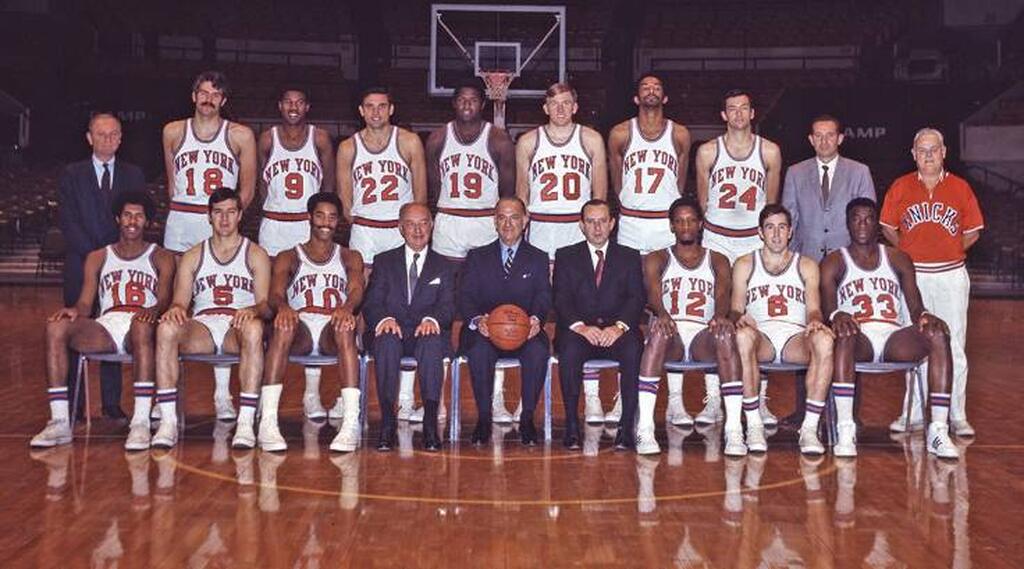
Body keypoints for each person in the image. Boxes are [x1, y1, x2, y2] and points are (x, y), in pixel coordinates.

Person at [31, 191, 174, 449]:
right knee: (56, 327)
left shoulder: (160, 256)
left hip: (142, 323)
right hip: (107, 326)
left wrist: (152, 313)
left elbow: (164, 300)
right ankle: (60, 421)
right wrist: (74, 310)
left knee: (141, 326)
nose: (132, 221)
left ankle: (140, 422)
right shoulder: (98, 256)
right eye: (127, 215)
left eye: (139, 216)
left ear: (148, 222)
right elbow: (86, 303)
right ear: (117, 219)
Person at [820, 198, 960, 458]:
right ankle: (846, 428)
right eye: (856, 219)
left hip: (893, 337)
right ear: (847, 224)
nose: (862, 224)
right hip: (857, 337)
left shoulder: (898, 258)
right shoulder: (834, 261)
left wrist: (928, 317)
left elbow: (916, 307)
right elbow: (829, 309)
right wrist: (838, 315)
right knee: (844, 334)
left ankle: (938, 430)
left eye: (869, 219)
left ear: (877, 224)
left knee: (938, 334)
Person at [162, 70, 258, 421]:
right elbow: (172, 183)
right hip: (182, 220)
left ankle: (222, 393)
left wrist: (230, 220)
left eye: (215, 94)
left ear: (224, 100)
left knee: (225, 300)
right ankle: (166, 397)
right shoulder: (173, 131)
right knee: (177, 305)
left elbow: (246, 189)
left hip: (222, 219)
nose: (208, 98)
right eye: (202, 92)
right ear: (192, 96)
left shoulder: (240, 135)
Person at [880, 128, 983, 437]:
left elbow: (973, 231)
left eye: (933, 149)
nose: (927, 155)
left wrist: (948, 250)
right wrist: (909, 255)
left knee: (955, 346)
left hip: (951, 275)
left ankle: (957, 415)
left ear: (944, 152)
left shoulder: (961, 188)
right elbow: (887, 227)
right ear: (913, 154)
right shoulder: (900, 187)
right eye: (921, 150)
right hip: (914, 276)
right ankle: (911, 413)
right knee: (914, 344)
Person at [150, 188, 271, 450]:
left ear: (240, 216)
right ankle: (168, 422)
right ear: (208, 216)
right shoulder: (193, 255)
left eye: (230, 212)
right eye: (218, 212)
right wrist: (175, 310)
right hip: (203, 326)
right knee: (166, 329)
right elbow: (181, 301)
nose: (224, 219)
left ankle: (246, 424)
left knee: (253, 328)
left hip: (235, 326)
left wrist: (253, 309)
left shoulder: (255, 253)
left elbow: (264, 303)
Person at [605, 73, 694, 428]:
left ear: (665, 97)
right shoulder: (620, 134)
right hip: (630, 224)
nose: (652, 90)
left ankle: (674, 401)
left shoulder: (681, 134)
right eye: (645, 87)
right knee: (622, 309)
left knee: (667, 310)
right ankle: (620, 398)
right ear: (636, 97)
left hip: (663, 225)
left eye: (658, 87)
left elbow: (681, 180)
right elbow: (616, 180)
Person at [695, 89, 783, 428]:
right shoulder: (707, 152)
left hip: (752, 241)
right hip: (717, 238)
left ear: (752, 112)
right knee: (713, 315)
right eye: (731, 109)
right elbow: (704, 202)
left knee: (755, 317)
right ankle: (713, 399)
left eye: (744, 108)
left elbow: (771, 204)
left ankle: (758, 400)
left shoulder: (770, 151)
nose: (738, 115)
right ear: (723, 115)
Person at [633, 197, 743, 455]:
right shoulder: (656, 258)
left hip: (703, 334)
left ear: (700, 224)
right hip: (672, 333)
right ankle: (645, 429)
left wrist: (720, 317)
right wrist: (661, 314)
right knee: (657, 332)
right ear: (671, 226)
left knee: (726, 336)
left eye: (691, 220)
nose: (685, 226)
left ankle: (734, 430)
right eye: (680, 221)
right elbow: (652, 294)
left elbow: (724, 292)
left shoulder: (717, 259)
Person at [58, 112, 146, 420]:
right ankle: (73, 406)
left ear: (121, 138)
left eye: (114, 134)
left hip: (118, 269)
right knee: (71, 333)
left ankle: (111, 404)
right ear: (89, 137)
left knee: (112, 329)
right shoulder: (71, 173)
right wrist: (97, 256)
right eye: (101, 134)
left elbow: (134, 221)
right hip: (79, 264)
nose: (108, 139)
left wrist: (113, 257)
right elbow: (68, 221)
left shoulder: (134, 174)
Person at [260, 193, 364, 453]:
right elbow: (274, 294)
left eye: (331, 217)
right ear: (309, 217)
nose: (325, 222)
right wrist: (283, 307)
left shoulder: (350, 256)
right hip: (301, 326)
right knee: (282, 326)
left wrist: (347, 308)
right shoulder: (289, 255)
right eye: (320, 215)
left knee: (346, 326)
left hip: (332, 323)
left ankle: (351, 422)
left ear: (338, 221)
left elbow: (356, 290)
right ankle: (268, 421)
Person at [257, 87, 338, 421]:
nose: (293, 107)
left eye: (299, 102)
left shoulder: (319, 139)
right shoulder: (266, 139)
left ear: (307, 106)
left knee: (311, 304)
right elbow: (263, 185)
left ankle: (311, 394)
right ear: (280, 105)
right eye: (287, 101)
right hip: (275, 226)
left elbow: (329, 185)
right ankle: (264, 395)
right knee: (272, 307)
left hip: (307, 224)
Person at [730, 204, 834, 456]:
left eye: (782, 227)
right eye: (770, 227)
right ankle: (754, 425)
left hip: (795, 338)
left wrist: (816, 321)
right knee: (742, 337)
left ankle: (809, 428)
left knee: (825, 341)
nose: (776, 234)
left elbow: (813, 309)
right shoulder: (745, 263)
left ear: (790, 232)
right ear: (760, 232)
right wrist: (741, 318)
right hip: (760, 337)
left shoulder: (806, 265)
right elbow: (735, 308)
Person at [552, 199, 644, 450]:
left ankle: (626, 427)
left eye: (602, 221)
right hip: (580, 332)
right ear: (581, 226)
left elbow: (637, 298)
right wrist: (581, 327)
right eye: (591, 222)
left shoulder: (629, 256)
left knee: (634, 348)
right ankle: (571, 424)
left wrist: (619, 327)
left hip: (617, 332)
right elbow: (560, 298)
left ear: (612, 224)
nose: (597, 228)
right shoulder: (566, 256)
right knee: (569, 350)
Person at [363, 203, 456, 452]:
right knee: (386, 341)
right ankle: (387, 421)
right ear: (400, 227)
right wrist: (384, 320)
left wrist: (432, 320)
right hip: (393, 330)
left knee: (433, 341)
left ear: (432, 225)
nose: (418, 230)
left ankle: (429, 421)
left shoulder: (444, 266)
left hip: (425, 333)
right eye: (411, 224)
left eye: (423, 223)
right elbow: (371, 301)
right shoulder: (384, 261)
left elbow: (448, 306)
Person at [460, 197, 552, 446]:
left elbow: (544, 295)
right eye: (502, 217)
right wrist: (478, 320)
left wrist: (535, 320)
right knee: (478, 350)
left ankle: (527, 419)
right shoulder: (477, 256)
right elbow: (465, 296)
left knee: (538, 351)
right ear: (494, 221)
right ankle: (483, 418)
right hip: (487, 330)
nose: (508, 223)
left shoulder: (538, 257)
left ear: (525, 221)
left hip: (525, 330)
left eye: (514, 217)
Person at [516, 82, 608, 262]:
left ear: (575, 108)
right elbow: (521, 193)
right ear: (545, 108)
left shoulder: (592, 139)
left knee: (578, 285)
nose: (560, 109)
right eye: (554, 103)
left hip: (578, 226)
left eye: (566, 103)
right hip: (540, 225)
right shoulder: (528, 141)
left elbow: (600, 194)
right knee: (541, 285)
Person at [336, 87, 427, 268]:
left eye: (382, 106)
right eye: (370, 106)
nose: (375, 112)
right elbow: (344, 201)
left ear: (391, 109)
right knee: (364, 289)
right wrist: (363, 222)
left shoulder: (409, 141)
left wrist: (407, 225)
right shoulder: (347, 147)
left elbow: (421, 196)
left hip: (399, 230)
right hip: (365, 231)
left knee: (402, 290)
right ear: (361, 110)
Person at [782, 114, 876, 262]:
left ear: (840, 139)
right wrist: (791, 256)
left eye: (830, 135)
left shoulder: (860, 172)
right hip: (806, 259)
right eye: (818, 136)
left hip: (848, 259)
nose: (824, 141)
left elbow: (868, 220)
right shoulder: (795, 173)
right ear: (811, 140)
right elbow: (789, 219)